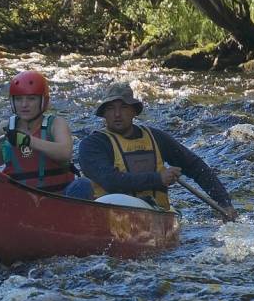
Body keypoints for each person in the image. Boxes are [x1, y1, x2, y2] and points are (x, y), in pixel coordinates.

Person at [64, 82, 239, 219]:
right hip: (110, 211)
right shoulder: (92, 145)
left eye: (124, 107)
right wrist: (158, 178)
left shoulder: (156, 137)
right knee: (80, 186)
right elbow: (111, 181)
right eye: (111, 108)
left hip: (153, 212)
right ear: (104, 114)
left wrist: (223, 202)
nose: (117, 114)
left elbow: (194, 166)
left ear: (134, 111)